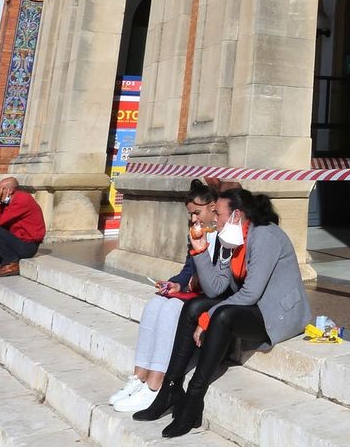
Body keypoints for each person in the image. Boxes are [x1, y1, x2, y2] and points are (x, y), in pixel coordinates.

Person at [135, 187, 311, 437]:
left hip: (276, 314)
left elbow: (250, 293)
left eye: (218, 213)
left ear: (236, 214)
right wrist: (199, 251)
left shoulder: (265, 236)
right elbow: (215, 287)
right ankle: (171, 388)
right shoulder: (231, 237)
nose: (214, 219)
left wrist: (208, 317)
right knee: (193, 307)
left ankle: (194, 398)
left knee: (221, 315)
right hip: (253, 307)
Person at [108, 180, 220, 414]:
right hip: (194, 290)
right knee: (154, 304)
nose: (193, 219)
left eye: (197, 212)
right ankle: (139, 377)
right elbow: (188, 269)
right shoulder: (196, 232)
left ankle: (155, 383)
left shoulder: (224, 235)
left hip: (212, 294)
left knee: (171, 310)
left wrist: (196, 278)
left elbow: (220, 277)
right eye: (190, 214)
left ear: (213, 206)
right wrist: (175, 283)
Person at [0, 175, 45, 277]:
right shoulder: (5, 201)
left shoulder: (22, 199)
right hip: (15, 241)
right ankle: (2, 263)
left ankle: (11, 264)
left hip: (27, 246)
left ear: (10, 190)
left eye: (0, 189)